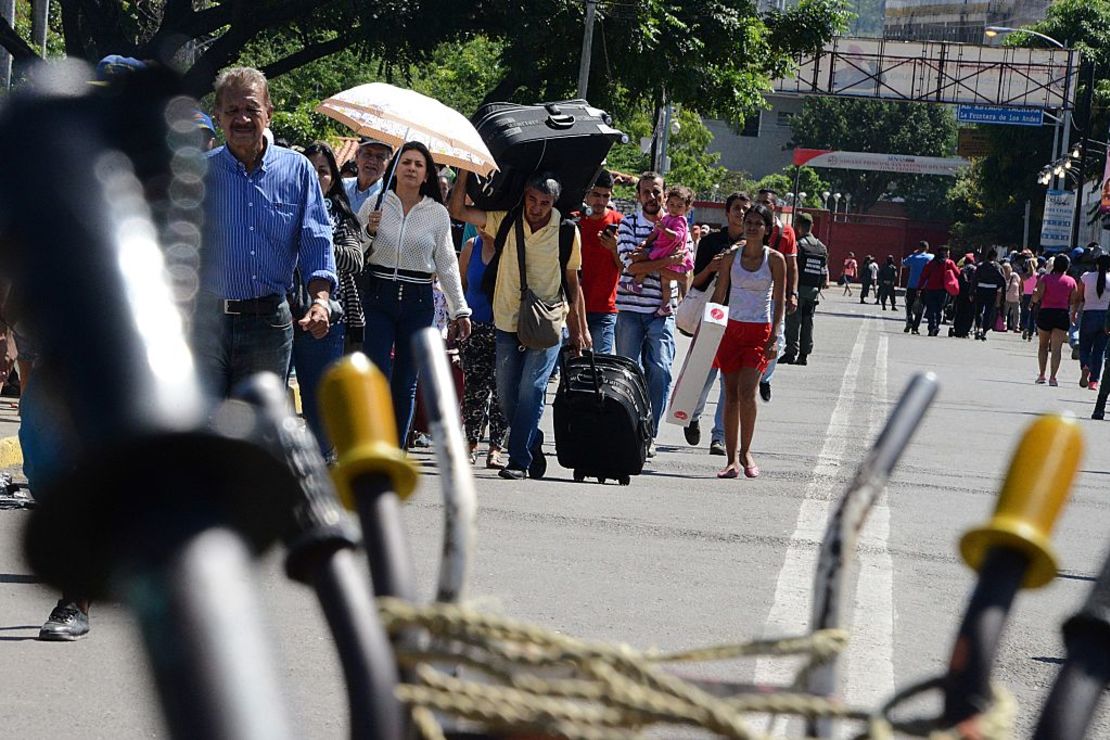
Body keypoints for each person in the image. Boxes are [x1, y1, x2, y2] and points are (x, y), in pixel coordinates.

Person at [195, 66, 336, 399]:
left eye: (251, 109)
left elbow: (316, 239)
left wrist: (320, 301)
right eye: (232, 111)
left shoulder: (297, 170)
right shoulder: (199, 172)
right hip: (206, 325)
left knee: (259, 431)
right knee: (205, 429)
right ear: (218, 116)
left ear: (268, 114)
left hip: (268, 325)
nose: (241, 119)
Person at [449, 170, 588, 480]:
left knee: (532, 389)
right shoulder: (507, 220)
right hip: (507, 319)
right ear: (524, 196)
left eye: (544, 202)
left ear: (555, 202)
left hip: (547, 322)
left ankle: (519, 460)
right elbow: (458, 211)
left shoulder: (566, 232)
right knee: (506, 394)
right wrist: (463, 172)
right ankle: (531, 439)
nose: (536, 208)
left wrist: (579, 328)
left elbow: (572, 280)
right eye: (532, 200)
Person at [360, 141, 472, 442]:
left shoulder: (437, 213)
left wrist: (459, 310)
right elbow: (355, 252)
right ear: (395, 169)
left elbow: (447, 264)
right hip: (378, 295)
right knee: (376, 374)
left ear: (427, 176)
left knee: (406, 380)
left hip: (417, 299)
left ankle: (396, 449)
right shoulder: (376, 203)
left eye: (418, 164)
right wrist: (369, 231)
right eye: (406, 162)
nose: (411, 168)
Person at [292, 142, 364, 454]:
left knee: (318, 402)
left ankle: (323, 463)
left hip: (326, 318)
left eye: (323, 171)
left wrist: (315, 245)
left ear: (333, 178)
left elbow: (354, 258)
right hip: (278, 312)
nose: (317, 176)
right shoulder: (282, 207)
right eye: (311, 168)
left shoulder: (341, 216)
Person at [614, 171, 688, 457]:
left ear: (665, 194)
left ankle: (649, 433)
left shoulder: (680, 225)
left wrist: (652, 263)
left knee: (661, 370)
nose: (651, 197)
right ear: (638, 196)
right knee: (627, 372)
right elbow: (628, 266)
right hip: (630, 310)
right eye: (646, 192)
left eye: (656, 192)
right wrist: (668, 262)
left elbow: (684, 273)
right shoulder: (628, 224)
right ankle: (625, 429)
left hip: (661, 313)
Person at [710, 203, 786, 479]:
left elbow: (779, 300)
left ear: (767, 229)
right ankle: (731, 460)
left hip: (759, 332)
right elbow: (720, 295)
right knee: (729, 395)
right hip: (730, 329)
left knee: (747, 392)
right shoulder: (732, 257)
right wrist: (708, 328)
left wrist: (776, 335)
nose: (752, 227)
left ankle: (746, 451)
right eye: (749, 222)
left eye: (758, 223)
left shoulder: (775, 260)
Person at [687, 192, 750, 454]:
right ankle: (693, 415)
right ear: (727, 212)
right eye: (736, 208)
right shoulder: (711, 242)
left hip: (740, 319)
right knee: (704, 374)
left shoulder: (755, 247)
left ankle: (720, 436)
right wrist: (712, 268)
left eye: (746, 209)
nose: (741, 213)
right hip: (713, 314)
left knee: (730, 381)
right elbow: (697, 283)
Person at [458, 230, 509, 469]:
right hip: (474, 327)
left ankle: (496, 448)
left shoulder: (510, 248)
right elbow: (461, 286)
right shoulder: (471, 246)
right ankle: (471, 444)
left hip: (504, 327)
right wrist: (456, 319)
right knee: (474, 390)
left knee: (502, 392)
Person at [753, 190, 796, 403]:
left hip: (775, 295)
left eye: (767, 203)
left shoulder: (786, 232)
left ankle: (765, 378)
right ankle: (750, 377)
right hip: (752, 293)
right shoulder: (750, 227)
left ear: (775, 206)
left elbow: (792, 265)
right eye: (759, 202)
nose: (762, 205)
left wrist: (792, 293)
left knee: (777, 339)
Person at [575, 170, 623, 353]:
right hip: (573, 307)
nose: (600, 201)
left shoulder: (619, 222)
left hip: (605, 309)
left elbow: (626, 268)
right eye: (596, 195)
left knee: (602, 367)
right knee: (572, 367)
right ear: (586, 193)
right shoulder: (574, 219)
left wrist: (615, 248)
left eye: (605, 196)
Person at [628, 185, 694, 316]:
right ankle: (666, 305)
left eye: (679, 206)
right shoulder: (667, 218)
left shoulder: (680, 220)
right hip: (663, 250)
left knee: (648, 262)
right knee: (665, 282)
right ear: (666, 203)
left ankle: (637, 284)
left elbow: (677, 236)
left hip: (665, 251)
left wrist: (665, 230)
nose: (674, 208)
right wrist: (646, 242)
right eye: (672, 204)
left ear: (686, 208)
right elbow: (655, 232)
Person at [781, 212, 828, 365]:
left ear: (799, 226)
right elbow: (824, 269)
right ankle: (804, 355)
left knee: (793, 322)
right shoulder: (821, 247)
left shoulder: (799, 245)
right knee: (808, 323)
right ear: (811, 226)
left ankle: (790, 352)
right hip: (813, 292)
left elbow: (792, 267)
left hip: (799, 290)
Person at [1032, 253, 1077, 386]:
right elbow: (1073, 300)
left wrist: (1034, 298)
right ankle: (1053, 377)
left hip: (1046, 312)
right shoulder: (1071, 281)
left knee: (1043, 345)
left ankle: (1041, 375)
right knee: (1056, 348)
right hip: (1062, 314)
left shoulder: (1045, 279)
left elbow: (1037, 297)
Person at [1074, 253, 1110, 391]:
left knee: (1085, 346)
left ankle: (1085, 366)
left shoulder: (1086, 277)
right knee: (1099, 351)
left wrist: (1074, 313)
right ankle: (1094, 381)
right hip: (1105, 317)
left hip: (1089, 314)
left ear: (1096, 264)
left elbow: (1078, 297)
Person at [345, 137, 393, 221]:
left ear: (388, 163)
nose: (373, 161)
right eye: (368, 154)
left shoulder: (387, 199)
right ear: (357, 156)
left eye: (380, 157)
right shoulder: (342, 186)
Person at [917, 245, 959, 336]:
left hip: (930, 289)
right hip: (943, 290)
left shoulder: (931, 263)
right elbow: (958, 274)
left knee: (931, 309)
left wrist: (919, 288)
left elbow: (923, 276)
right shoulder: (949, 263)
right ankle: (936, 326)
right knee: (939, 309)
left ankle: (932, 326)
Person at [971, 249, 1004, 341]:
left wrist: (971, 291)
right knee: (988, 312)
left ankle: (978, 327)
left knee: (979, 310)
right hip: (992, 290)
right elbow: (1002, 280)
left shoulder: (981, 266)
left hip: (980, 289)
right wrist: (999, 289)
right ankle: (984, 330)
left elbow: (975, 279)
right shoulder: (997, 267)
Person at [902, 241, 932, 334]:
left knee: (909, 305)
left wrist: (914, 254)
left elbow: (903, 264)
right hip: (924, 286)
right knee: (921, 307)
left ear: (918, 247)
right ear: (927, 248)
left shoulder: (913, 257)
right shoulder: (930, 257)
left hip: (912, 285)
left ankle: (909, 321)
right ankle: (915, 327)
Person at [1020, 254, 1039, 341]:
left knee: (1025, 313)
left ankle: (1025, 328)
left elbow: (1021, 286)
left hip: (1026, 295)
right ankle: (1030, 333)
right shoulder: (1038, 276)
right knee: (1032, 316)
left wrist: (1021, 294)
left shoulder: (1024, 276)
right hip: (1034, 296)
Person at [1002, 262, 1022, 332]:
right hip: (1006, 299)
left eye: (1007, 268)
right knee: (1004, 313)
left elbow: (1020, 284)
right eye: (1004, 268)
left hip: (1015, 298)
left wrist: (1021, 294)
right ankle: (1004, 326)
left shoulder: (1015, 275)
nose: (1006, 270)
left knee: (1017, 313)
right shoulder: (1002, 276)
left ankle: (1016, 327)